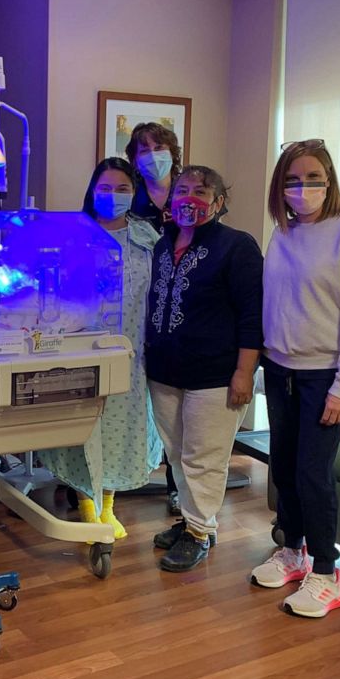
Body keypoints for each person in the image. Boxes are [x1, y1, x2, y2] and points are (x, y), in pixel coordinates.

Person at [251, 139, 340, 618]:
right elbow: (276, 304)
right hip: (281, 369)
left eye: (312, 178)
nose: (302, 188)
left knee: (313, 472)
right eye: (292, 179)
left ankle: (328, 573)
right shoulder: (282, 233)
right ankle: (293, 550)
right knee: (283, 466)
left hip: (324, 376)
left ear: (330, 182)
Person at [146, 165, 263, 572]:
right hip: (164, 370)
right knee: (177, 454)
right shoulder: (164, 244)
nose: (189, 199)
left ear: (219, 202)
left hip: (215, 374)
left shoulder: (237, 247)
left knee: (204, 457)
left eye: (200, 191)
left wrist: (244, 372)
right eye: (181, 190)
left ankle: (198, 534)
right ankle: (196, 521)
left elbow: (253, 316)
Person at [38, 158, 164, 538]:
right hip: (81, 346)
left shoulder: (147, 239)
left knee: (119, 428)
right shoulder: (74, 234)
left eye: (122, 189)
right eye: (105, 188)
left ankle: (108, 504)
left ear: (135, 193)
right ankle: (86, 502)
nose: (113, 196)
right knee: (85, 422)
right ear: (93, 190)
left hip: (133, 352)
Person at [125, 122, 185, 514]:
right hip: (137, 301)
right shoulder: (129, 192)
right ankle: (122, 469)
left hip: (181, 300)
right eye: (143, 148)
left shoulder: (190, 188)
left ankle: (178, 486)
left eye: (159, 146)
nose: (152, 154)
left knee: (174, 404)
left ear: (173, 151)